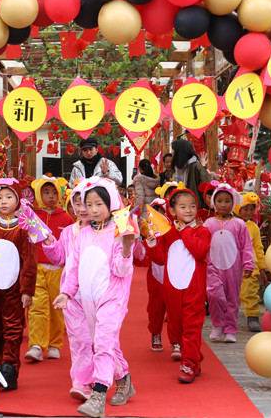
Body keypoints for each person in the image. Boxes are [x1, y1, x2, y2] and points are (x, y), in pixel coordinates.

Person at [53, 178, 139, 417]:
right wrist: (65, 293)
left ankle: (99, 394)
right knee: (106, 342)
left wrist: (125, 248)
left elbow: (121, 271)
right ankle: (124, 379)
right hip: (88, 300)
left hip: (112, 299)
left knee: (102, 343)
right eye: (88, 204)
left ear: (110, 203)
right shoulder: (83, 233)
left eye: (98, 204)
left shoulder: (120, 230)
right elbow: (74, 270)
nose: (91, 209)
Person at [142, 187, 211, 383]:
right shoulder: (168, 233)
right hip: (172, 289)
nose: (188, 210)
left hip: (194, 289)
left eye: (192, 206)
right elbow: (160, 259)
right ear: (172, 211)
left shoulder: (203, 231)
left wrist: (187, 231)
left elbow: (199, 251)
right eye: (182, 206)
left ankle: (188, 363)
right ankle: (194, 355)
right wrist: (152, 244)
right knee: (178, 325)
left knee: (191, 326)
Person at [0, 178, 38, 390]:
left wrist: (27, 290)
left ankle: (9, 367)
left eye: (8, 197)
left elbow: (30, 260)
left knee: (13, 329)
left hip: (14, 290)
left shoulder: (24, 227)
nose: (3, 201)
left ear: (18, 199)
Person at [41, 179, 93, 401]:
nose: (82, 209)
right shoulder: (68, 232)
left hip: (97, 295)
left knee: (98, 340)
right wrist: (50, 243)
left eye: (88, 204)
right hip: (71, 295)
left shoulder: (105, 231)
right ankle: (82, 383)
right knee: (79, 339)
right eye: (78, 204)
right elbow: (60, 258)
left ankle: (106, 377)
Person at [25, 175, 73, 362]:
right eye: (46, 192)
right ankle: (36, 344)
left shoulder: (67, 219)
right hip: (37, 268)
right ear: (38, 194)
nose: (51, 196)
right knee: (37, 307)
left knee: (57, 308)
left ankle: (54, 344)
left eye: (54, 192)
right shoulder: (33, 217)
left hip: (59, 270)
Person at [203, 184, 255, 343]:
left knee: (232, 299)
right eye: (219, 201)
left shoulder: (239, 224)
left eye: (227, 201)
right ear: (214, 202)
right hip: (212, 267)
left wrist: (248, 264)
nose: (223, 204)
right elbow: (202, 244)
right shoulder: (208, 224)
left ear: (233, 203)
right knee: (214, 295)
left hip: (233, 268)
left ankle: (230, 330)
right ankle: (218, 324)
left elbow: (246, 245)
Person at [135, 197, 179, 358]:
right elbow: (146, 260)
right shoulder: (151, 235)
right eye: (154, 212)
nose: (158, 216)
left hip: (174, 277)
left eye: (161, 211)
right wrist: (139, 245)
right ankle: (155, 333)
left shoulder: (176, 231)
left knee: (175, 310)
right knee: (155, 310)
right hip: (156, 278)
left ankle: (176, 341)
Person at [236, 192, 267, 333]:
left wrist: (262, 268)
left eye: (252, 208)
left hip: (250, 266)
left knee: (250, 292)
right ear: (237, 208)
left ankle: (253, 317)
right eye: (245, 208)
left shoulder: (253, 227)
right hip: (232, 266)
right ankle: (226, 319)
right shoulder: (231, 224)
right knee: (230, 295)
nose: (249, 212)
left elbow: (258, 248)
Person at [171, 139, 212, 209]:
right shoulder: (176, 168)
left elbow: (206, 189)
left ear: (179, 152)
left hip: (195, 209)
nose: (172, 152)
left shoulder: (196, 167)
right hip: (179, 208)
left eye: (173, 149)